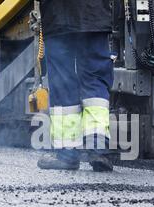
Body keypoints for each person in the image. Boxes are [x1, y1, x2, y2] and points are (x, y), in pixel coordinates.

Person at [37, 0, 114, 172]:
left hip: (59, 18)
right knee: (95, 80)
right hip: (95, 16)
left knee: (63, 82)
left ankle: (67, 154)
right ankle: (99, 149)